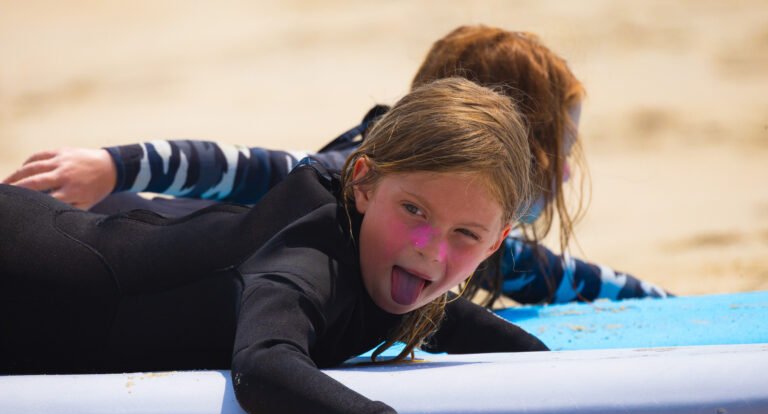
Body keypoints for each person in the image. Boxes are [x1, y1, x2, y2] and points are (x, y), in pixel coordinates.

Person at [0, 78, 548, 414]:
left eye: (465, 234)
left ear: (496, 241)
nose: (430, 249)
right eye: (414, 210)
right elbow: (264, 366)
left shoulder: (387, 259)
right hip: (21, 277)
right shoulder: (305, 261)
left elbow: (455, 320)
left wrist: (543, 364)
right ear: (362, 183)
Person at [3, 25, 670, 304]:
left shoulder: (447, 223)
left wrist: (659, 305)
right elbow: (248, 168)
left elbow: (549, 274)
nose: (566, 173)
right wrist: (116, 166)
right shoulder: (358, 175)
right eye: (557, 149)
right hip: (137, 233)